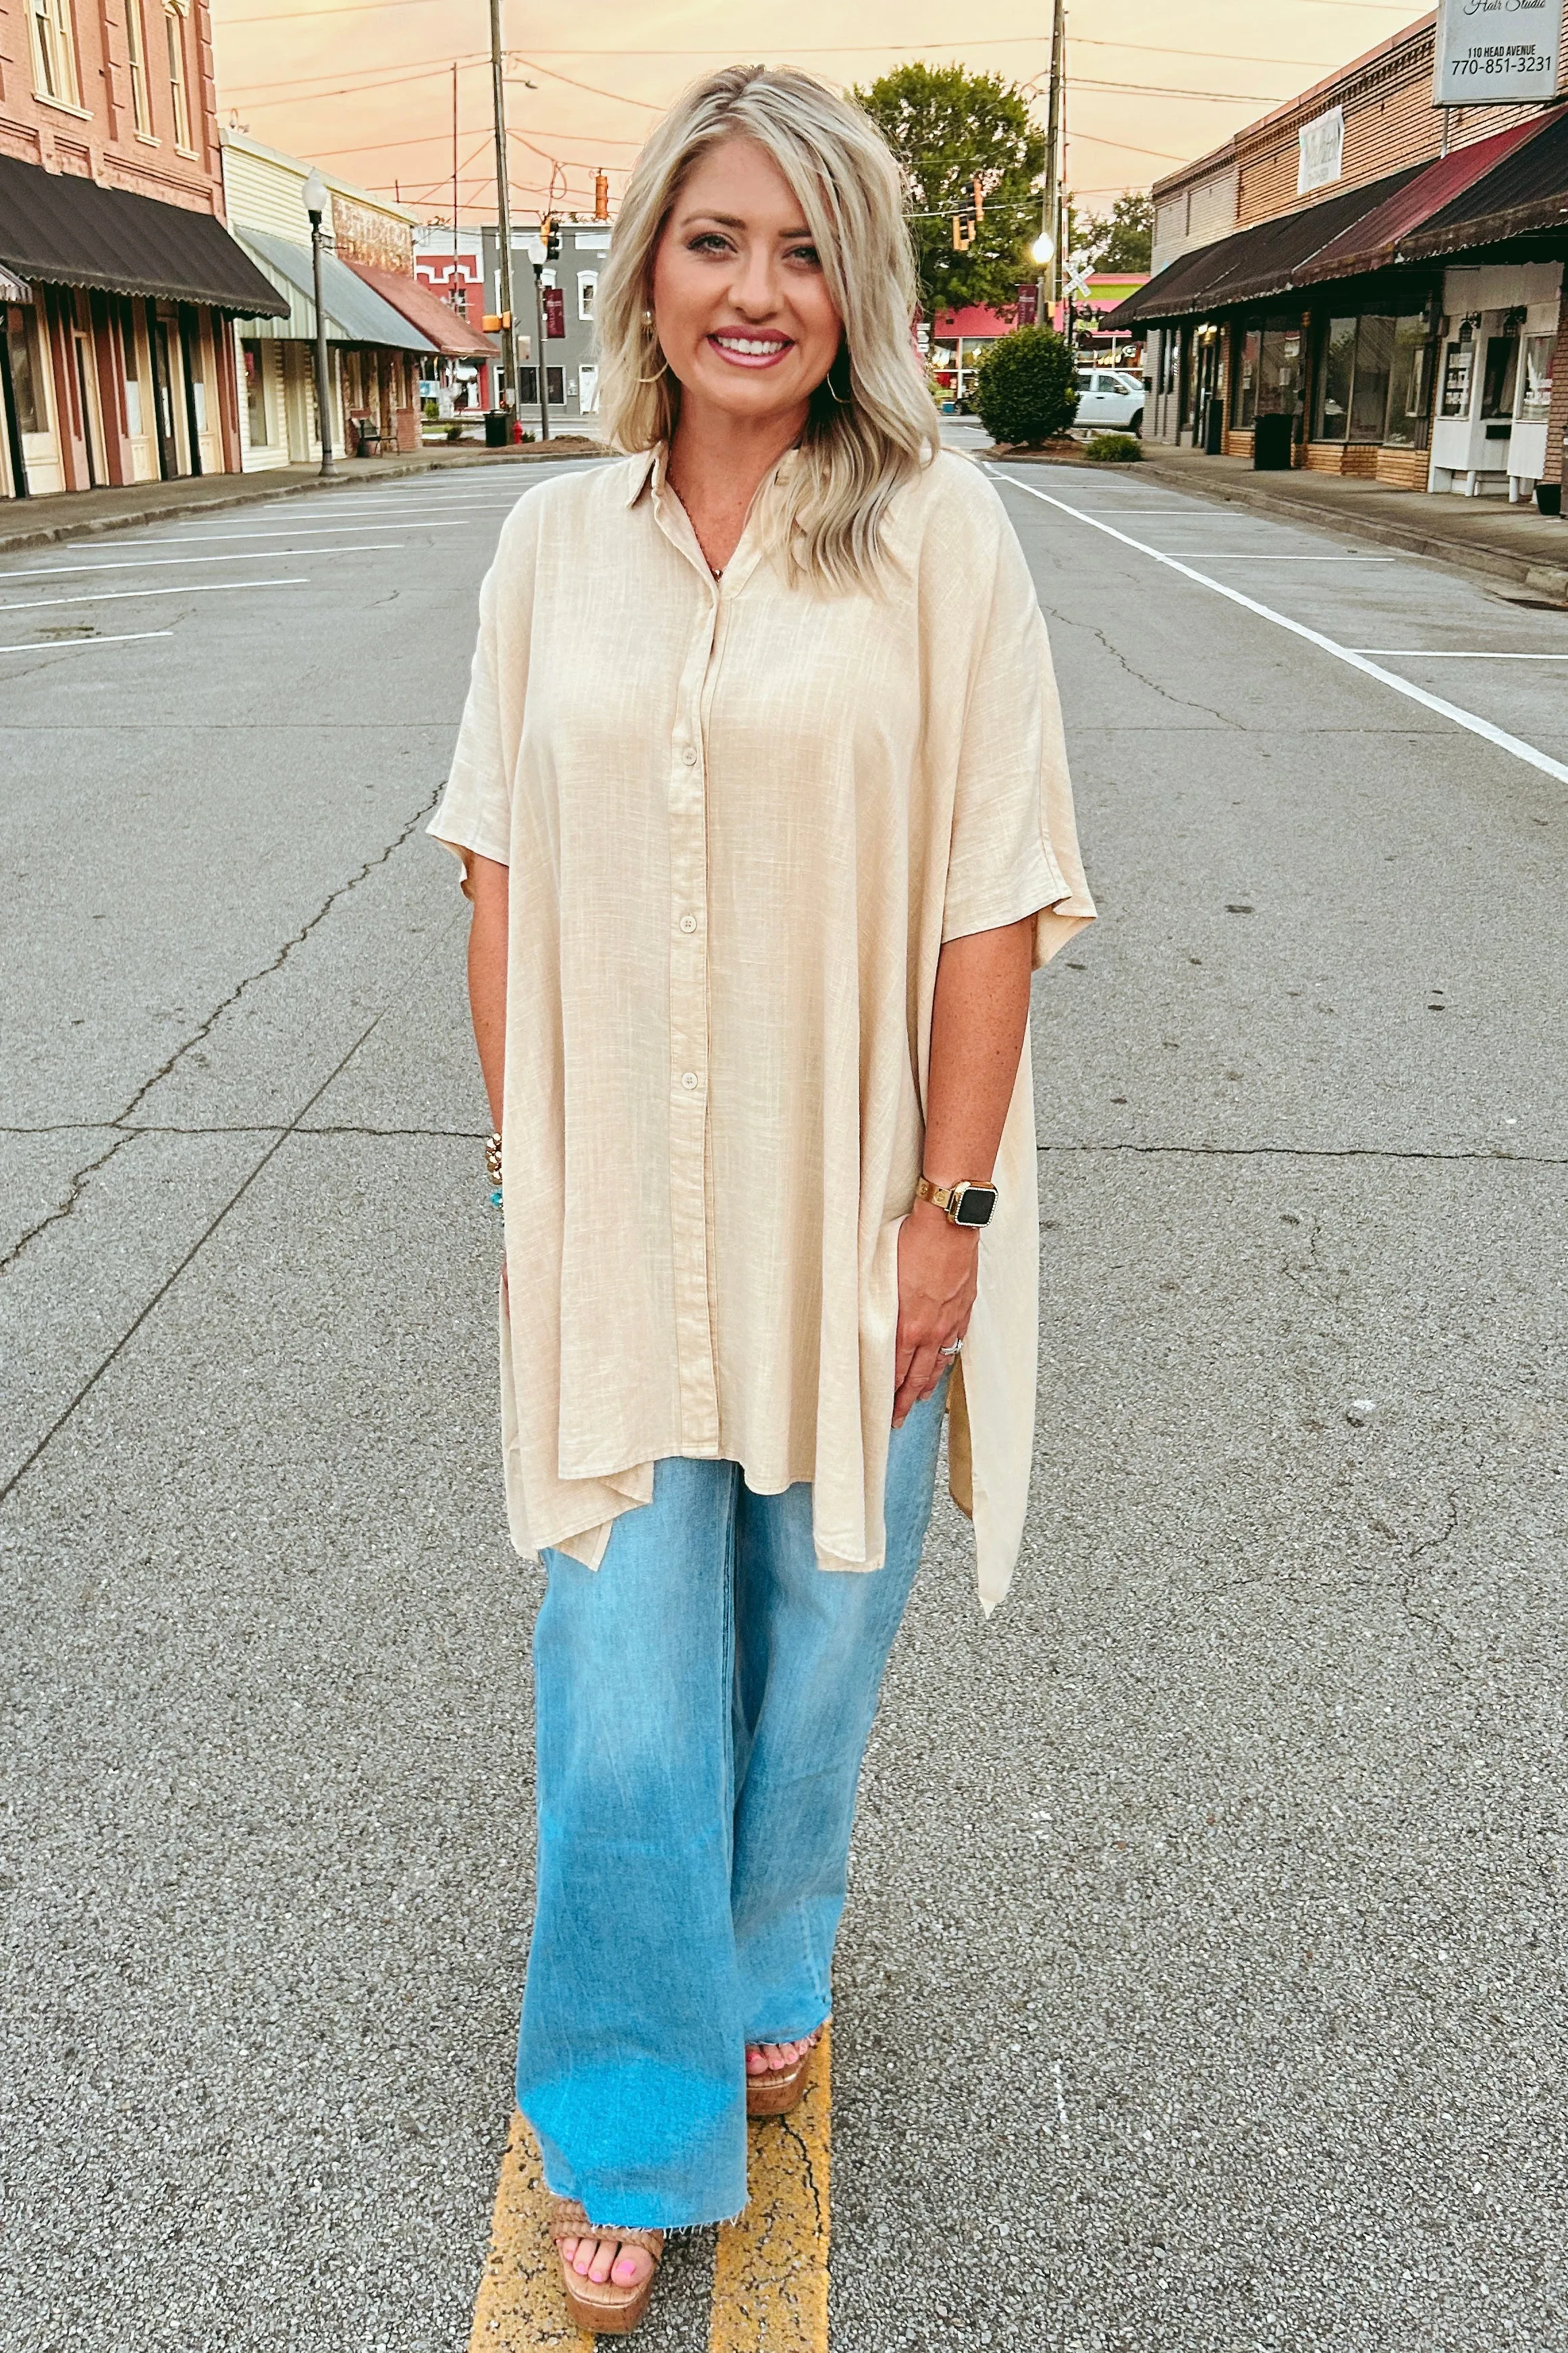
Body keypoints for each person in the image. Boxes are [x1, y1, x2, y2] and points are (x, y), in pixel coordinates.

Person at [431, 63, 1093, 2337]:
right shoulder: (547, 550)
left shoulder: (942, 541)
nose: (758, 289)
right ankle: (627, 2105)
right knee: (623, 1672)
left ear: (862, 287)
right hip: (612, 1210)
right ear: (645, 269)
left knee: (814, 1649)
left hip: (855, 1206)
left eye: (806, 247)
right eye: (716, 239)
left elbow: (994, 897)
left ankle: (773, 1942)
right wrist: (520, 1172)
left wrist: (951, 1214)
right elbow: (497, 866)